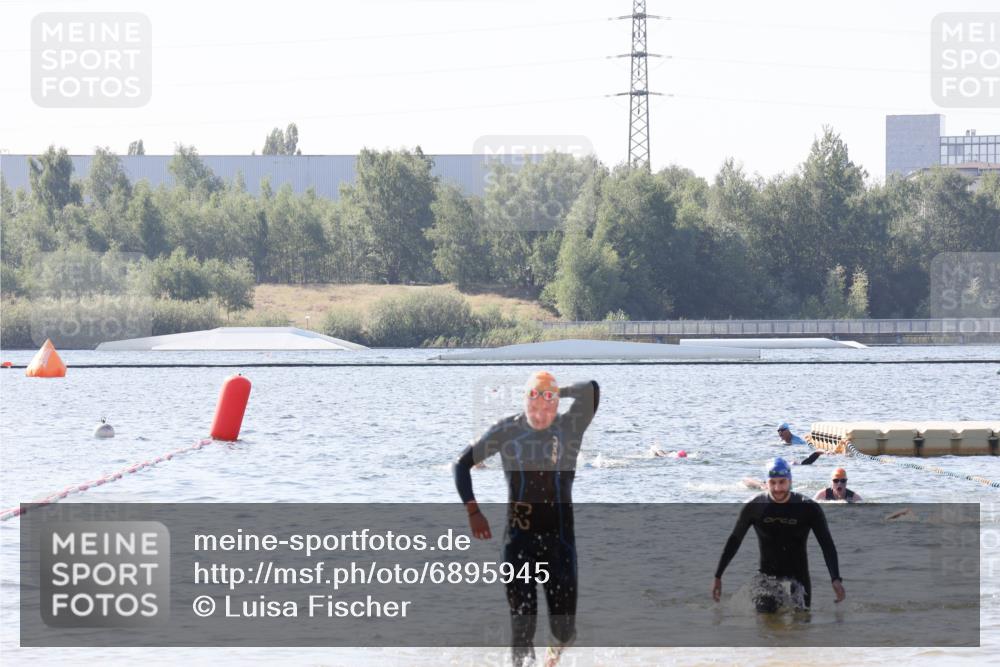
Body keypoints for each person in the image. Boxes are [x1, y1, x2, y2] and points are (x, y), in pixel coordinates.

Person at [453, 371, 599, 667]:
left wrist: (558, 390)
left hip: (559, 544)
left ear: (556, 405)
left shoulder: (569, 427)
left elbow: (591, 390)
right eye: (534, 407)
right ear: (525, 402)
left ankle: (556, 648)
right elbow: (461, 464)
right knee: (522, 626)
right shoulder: (507, 430)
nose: (541, 414)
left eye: (548, 407)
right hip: (518, 541)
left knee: (564, 629)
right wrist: (473, 511)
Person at [713, 457, 846, 612]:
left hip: (799, 580)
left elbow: (827, 545)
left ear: (790, 481)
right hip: (767, 579)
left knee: (801, 630)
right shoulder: (754, 507)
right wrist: (718, 576)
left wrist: (835, 579)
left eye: (782, 482)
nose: (777, 488)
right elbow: (734, 541)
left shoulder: (808, 508)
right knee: (766, 629)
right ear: (766, 483)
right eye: (772, 483)